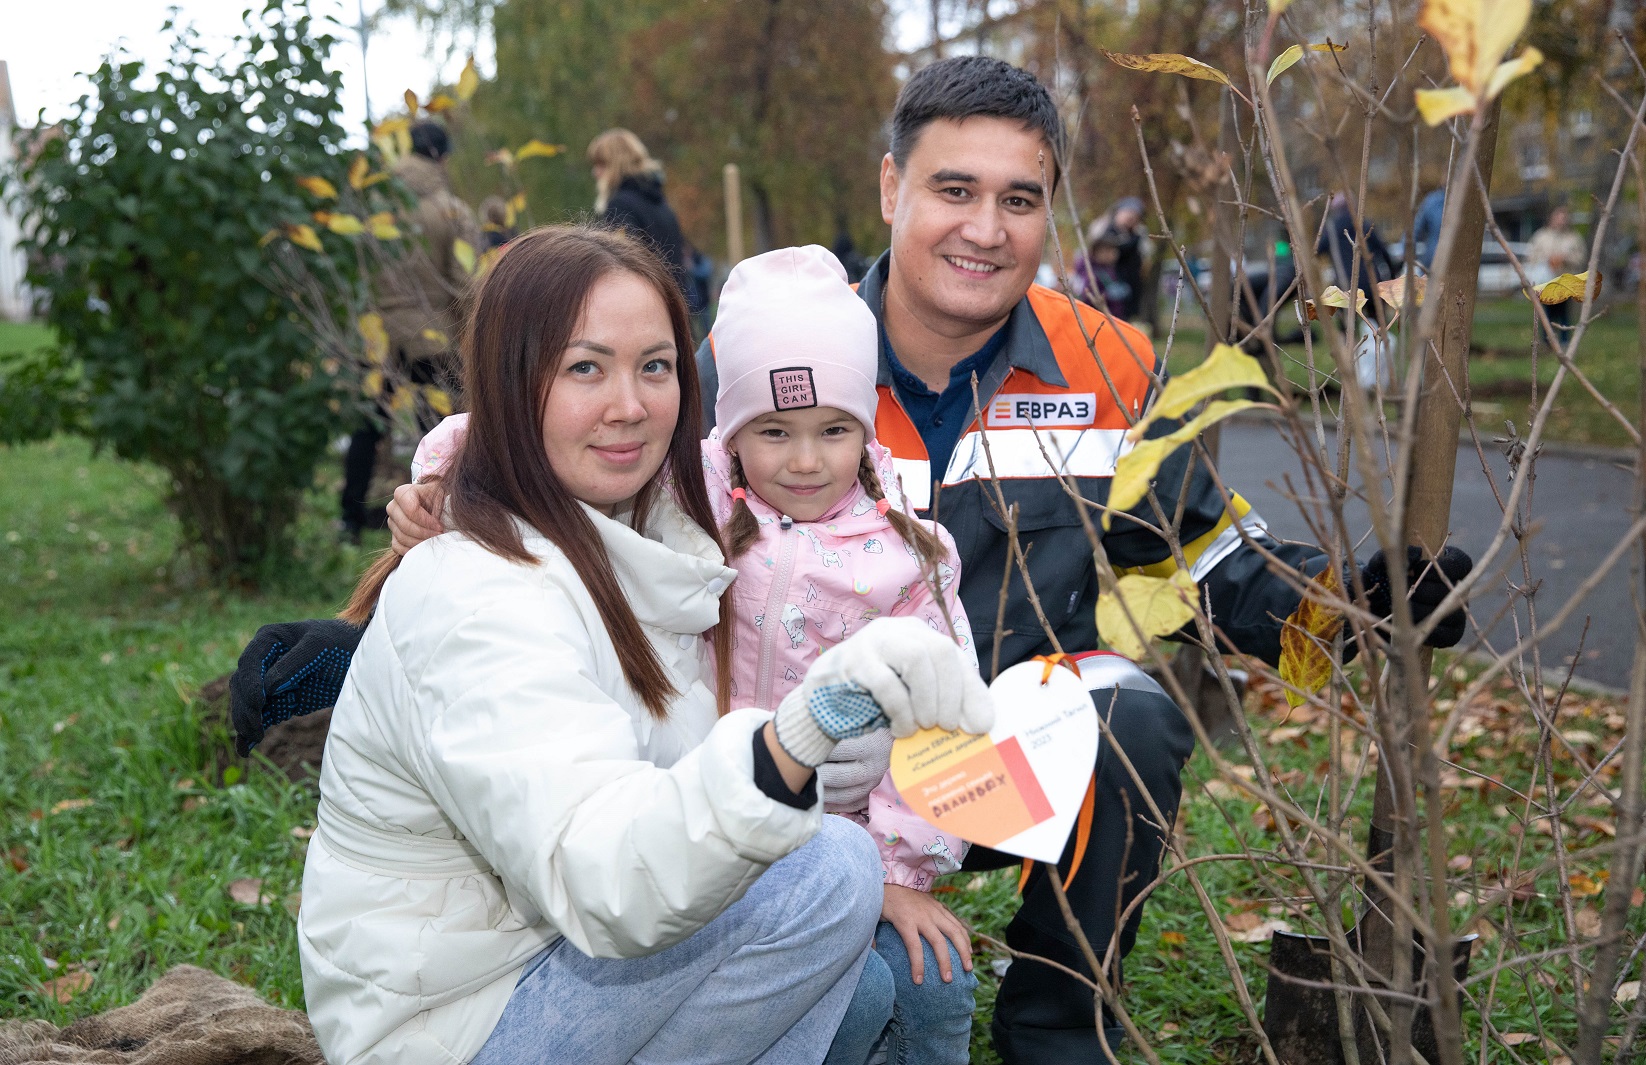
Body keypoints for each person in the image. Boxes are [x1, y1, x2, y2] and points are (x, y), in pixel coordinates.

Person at [240, 58, 1476, 1064]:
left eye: (1018, 198)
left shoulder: (1105, 362)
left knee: (1134, 714)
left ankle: (1055, 1025)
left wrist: (1342, 608)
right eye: (952, 189)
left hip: (961, 756)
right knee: (833, 948)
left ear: (1049, 212)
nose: (983, 230)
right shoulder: (782, 353)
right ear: (890, 186)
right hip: (758, 763)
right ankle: (844, 964)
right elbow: (590, 426)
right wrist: (450, 487)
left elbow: (1206, 551)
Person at [287, 225, 992, 1065]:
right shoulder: (478, 591)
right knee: (830, 872)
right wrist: (796, 738)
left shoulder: (661, 539)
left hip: (549, 954)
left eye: (655, 366)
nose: (629, 404)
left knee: (870, 987)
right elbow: (603, 874)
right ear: (515, 386)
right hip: (460, 1022)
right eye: (586, 366)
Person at [339, 120, 482, 542]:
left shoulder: (374, 207)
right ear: (441, 157)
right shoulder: (451, 210)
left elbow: (354, 273)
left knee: (367, 427)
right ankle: (446, 518)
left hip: (377, 337)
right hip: (430, 335)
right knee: (441, 433)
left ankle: (349, 520)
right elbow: (465, 282)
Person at [589, 128, 690, 297]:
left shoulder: (620, 206)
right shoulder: (661, 204)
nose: (595, 172)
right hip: (670, 305)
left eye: (600, 164)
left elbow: (621, 267)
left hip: (644, 306)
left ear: (615, 164)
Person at [1316, 191, 1397, 317]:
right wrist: (1392, 275)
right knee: (1377, 321)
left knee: (1347, 325)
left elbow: (1318, 251)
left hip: (1344, 284)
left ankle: (1346, 335)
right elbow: (1383, 251)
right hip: (1370, 282)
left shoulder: (1331, 230)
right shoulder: (1364, 224)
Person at [1076, 197, 1149, 320]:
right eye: (1129, 215)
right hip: (1102, 310)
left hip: (1124, 294)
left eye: (1135, 217)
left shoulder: (1136, 234)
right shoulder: (1104, 229)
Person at [1527, 205, 1587, 328]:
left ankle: (1564, 340)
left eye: (1564, 218)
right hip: (1546, 281)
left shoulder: (1574, 238)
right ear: (1552, 218)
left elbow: (1580, 257)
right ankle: (1547, 340)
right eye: (1558, 218)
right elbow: (1532, 255)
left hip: (1565, 281)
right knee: (1546, 312)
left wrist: (1565, 259)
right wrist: (1547, 260)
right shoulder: (1541, 236)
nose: (1561, 221)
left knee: (1563, 312)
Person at [1070, 228, 1131, 318]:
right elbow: (1086, 296)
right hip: (1097, 318)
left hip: (1111, 317)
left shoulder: (1107, 269)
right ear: (1100, 252)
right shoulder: (1089, 272)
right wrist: (1107, 295)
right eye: (1111, 251)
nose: (1114, 255)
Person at [1410, 187, 1446, 273]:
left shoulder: (1466, 203)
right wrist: (1406, 248)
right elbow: (1415, 228)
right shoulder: (1433, 201)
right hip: (1431, 263)